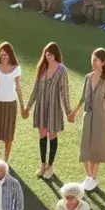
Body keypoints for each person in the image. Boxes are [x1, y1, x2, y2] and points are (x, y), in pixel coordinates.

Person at [24, 42, 71, 180]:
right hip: (41, 106)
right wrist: (28, 106)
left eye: (50, 53)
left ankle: (50, 166)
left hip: (54, 108)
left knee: (52, 135)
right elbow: (35, 89)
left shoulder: (62, 70)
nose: (48, 55)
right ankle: (43, 164)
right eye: (46, 53)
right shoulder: (42, 68)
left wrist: (68, 111)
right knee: (42, 133)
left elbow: (65, 93)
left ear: (55, 54)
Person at [71, 48, 105, 192]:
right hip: (87, 116)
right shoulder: (88, 77)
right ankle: (89, 176)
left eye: (96, 59)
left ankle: (93, 178)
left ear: (103, 62)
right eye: (92, 59)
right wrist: (75, 112)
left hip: (100, 118)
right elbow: (83, 97)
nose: (93, 62)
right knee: (85, 149)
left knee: (96, 148)